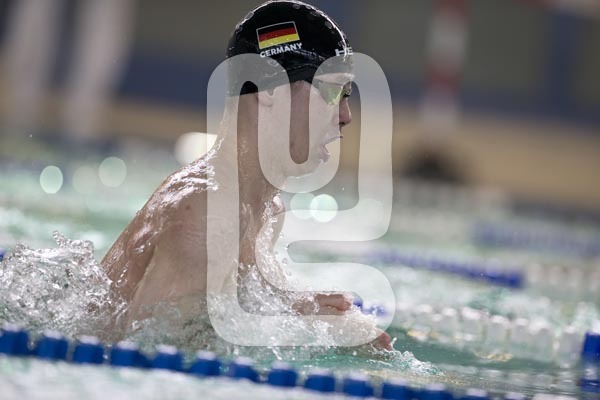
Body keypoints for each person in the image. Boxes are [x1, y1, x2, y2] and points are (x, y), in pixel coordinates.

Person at [101, 0, 392, 350]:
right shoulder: (208, 214)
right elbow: (144, 356)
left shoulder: (263, 209)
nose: (346, 115)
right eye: (332, 91)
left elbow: (228, 310)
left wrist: (300, 310)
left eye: (347, 95)